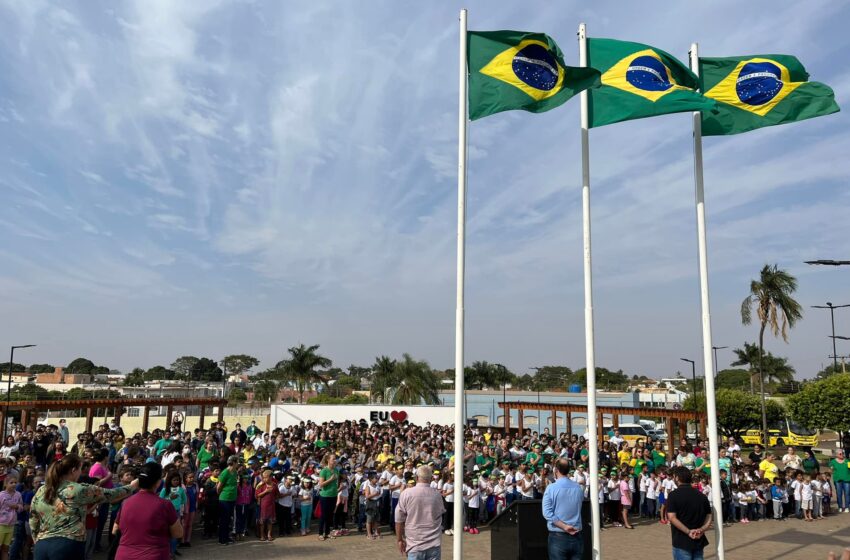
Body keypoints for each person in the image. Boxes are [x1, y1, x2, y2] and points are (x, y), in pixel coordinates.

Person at [30, 454, 136, 560]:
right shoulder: (78, 490)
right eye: (80, 468)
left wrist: (36, 540)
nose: (80, 472)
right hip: (68, 545)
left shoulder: (42, 490)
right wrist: (132, 486)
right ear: (73, 470)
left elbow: (33, 519)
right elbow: (111, 494)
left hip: (42, 546)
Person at [115, 462, 182, 560]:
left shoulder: (126, 502)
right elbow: (178, 533)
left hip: (124, 555)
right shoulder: (165, 505)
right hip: (153, 555)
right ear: (158, 482)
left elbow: (115, 529)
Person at [395, 465, 444, 560]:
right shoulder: (437, 494)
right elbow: (440, 514)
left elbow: (398, 520)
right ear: (431, 479)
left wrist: (400, 540)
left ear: (416, 478)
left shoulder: (406, 493)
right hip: (433, 544)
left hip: (415, 545)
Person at [542, 458, 583, 560]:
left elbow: (547, 513)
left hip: (558, 536)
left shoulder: (551, 488)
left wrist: (564, 526)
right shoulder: (577, 487)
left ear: (556, 470)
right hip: (576, 534)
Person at [666, 466, 711, 560]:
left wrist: (688, 531)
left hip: (681, 541)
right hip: (699, 539)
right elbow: (709, 516)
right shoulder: (702, 496)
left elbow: (672, 517)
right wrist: (701, 529)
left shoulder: (673, 495)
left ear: (677, 478)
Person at [216, 455, 239, 545]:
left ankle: (226, 537)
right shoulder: (225, 472)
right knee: (224, 519)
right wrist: (222, 495)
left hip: (232, 499)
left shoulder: (235, 472)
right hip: (225, 499)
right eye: (237, 462)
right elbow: (219, 487)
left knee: (228, 519)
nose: (238, 464)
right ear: (233, 462)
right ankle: (222, 539)